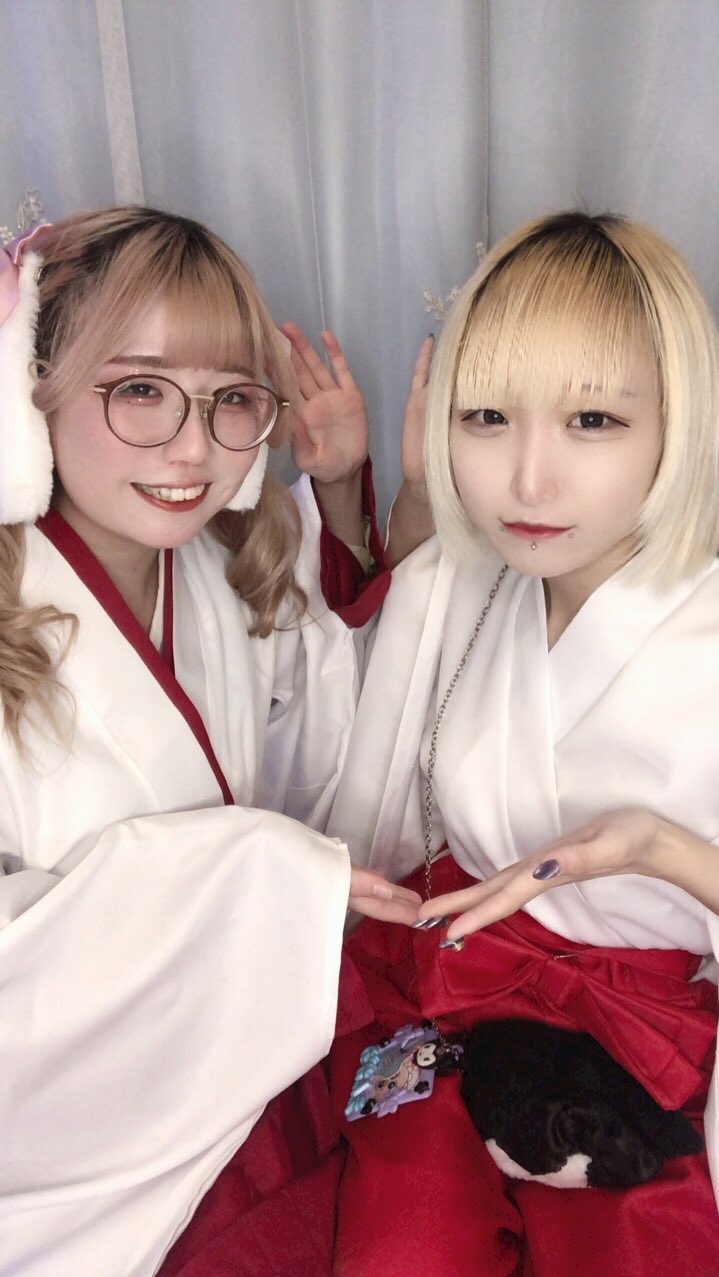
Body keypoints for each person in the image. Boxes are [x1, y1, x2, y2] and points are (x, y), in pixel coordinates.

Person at [0, 206, 423, 1277]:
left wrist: (346, 491)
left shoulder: (219, 574)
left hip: (246, 1065)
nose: (193, 449)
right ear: (32, 388)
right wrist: (257, 875)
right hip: (86, 1146)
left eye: (232, 398)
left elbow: (325, 755)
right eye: (140, 390)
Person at [327, 211, 719, 1275]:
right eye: (486, 417)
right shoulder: (466, 583)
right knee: (396, 1251)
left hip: (638, 1043)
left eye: (592, 419)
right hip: (445, 981)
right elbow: (363, 758)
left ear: (676, 423)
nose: (528, 480)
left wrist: (659, 849)